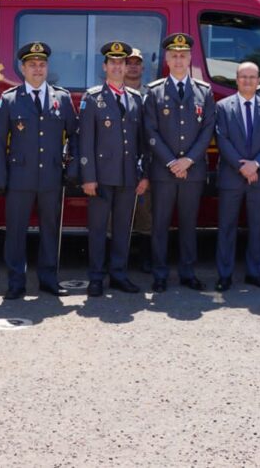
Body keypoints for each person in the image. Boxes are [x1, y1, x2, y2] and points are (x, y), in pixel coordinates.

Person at [0, 42, 78, 299]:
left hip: (51, 177)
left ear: (47, 67)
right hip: (19, 178)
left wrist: (71, 168)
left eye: (41, 64)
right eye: (32, 65)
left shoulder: (61, 98)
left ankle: (49, 280)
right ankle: (15, 283)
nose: (37, 69)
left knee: (50, 231)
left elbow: (74, 135)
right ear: (22, 68)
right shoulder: (9, 100)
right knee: (15, 232)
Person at [142, 33, 216, 293]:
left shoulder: (203, 92)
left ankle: (187, 272)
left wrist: (188, 160)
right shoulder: (154, 91)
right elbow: (150, 131)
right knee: (160, 225)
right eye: (173, 55)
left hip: (192, 171)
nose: (178, 60)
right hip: (164, 171)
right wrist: (173, 161)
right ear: (166, 59)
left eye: (183, 55)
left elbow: (207, 130)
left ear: (190, 58)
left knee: (188, 224)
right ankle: (159, 273)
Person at [78, 40, 149, 297]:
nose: (118, 67)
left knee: (122, 229)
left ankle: (119, 274)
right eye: (114, 63)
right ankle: (96, 277)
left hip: (128, 177)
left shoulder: (136, 99)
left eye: (122, 62)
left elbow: (142, 141)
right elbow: (84, 141)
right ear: (105, 66)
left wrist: (144, 175)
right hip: (101, 178)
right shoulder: (93, 97)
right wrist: (88, 178)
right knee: (98, 230)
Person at [213, 61, 260, 291]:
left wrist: (256, 164)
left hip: (259, 177)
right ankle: (225, 275)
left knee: (258, 227)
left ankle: (255, 272)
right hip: (232, 177)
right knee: (227, 227)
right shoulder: (222, 107)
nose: (248, 81)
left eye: (252, 77)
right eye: (243, 77)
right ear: (236, 79)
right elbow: (222, 140)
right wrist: (242, 167)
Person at [124, 47, 153, 273]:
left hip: (144, 158)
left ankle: (145, 259)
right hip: (118, 161)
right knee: (116, 214)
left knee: (146, 211)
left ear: (143, 67)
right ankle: (116, 260)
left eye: (137, 62)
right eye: (129, 62)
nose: (133, 66)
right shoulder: (114, 93)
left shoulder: (150, 95)